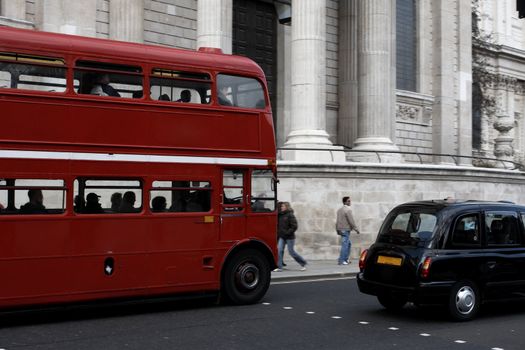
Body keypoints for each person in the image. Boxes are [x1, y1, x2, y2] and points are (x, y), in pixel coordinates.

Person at [274, 202, 307, 272]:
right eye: (281, 206)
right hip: (282, 237)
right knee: (279, 251)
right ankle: (279, 267)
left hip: (289, 237)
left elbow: (294, 226)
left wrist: (287, 232)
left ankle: (303, 263)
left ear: (286, 207)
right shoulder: (280, 215)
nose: (281, 207)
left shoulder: (290, 215)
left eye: (283, 206)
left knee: (291, 252)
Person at [335, 196, 360, 265]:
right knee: (345, 245)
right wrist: (356, 229)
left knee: (348, 244)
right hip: (345, 230)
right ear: (345, 202)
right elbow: (351, 221)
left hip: (341, 229)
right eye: (348, 201)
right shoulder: (348, 210)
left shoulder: (339, 210)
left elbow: (337, 221)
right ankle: (342, 260)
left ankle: (346, 259)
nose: (350, 202)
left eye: (350, 201)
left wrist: (337, 229)